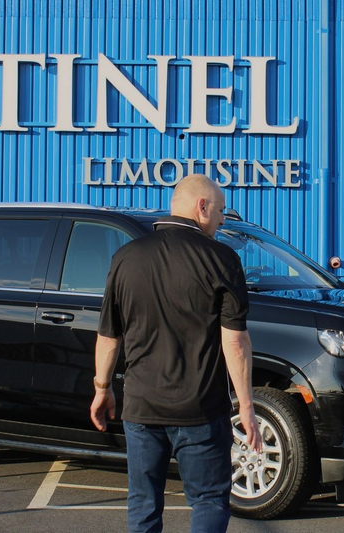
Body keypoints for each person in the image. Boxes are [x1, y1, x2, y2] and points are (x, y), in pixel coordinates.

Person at [90, 174, 263, 533]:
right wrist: (246, 408)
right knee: (209, 500)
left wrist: (102, 389)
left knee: (143, 504)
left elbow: (108, 336)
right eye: (220, 211)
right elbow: (235, 342)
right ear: (202, 206)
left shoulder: (125, 257)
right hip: (200, 409)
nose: (222, 220)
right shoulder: (222, 259)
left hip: (141, 407)